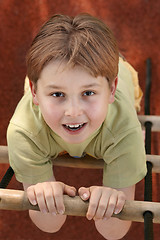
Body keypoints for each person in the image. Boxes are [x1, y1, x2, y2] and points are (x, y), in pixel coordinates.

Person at [7, 13, 147, 239]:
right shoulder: (24, 131)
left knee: (130, 123)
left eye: (88, 93)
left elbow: (114, 233)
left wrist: (110, 205)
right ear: (34, 92)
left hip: (120, 77)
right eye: (58, 94)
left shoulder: (123, 129)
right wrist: (43, 196)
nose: (73, 111)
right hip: (46, 110)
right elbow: (50, 225)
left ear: (111, 90)